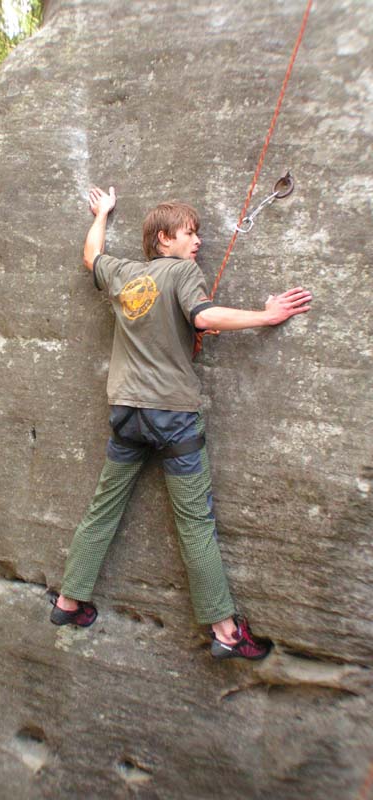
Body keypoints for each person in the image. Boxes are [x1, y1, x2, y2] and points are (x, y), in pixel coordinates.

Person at [49, 185, 312, 660]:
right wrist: (267, 315)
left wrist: (102, 213)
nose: (198, 243)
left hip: (127, 414)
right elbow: (205, 314)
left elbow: (91, 255)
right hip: (172, 416)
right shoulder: (184, 272)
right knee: (195, 523)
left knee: (103, 508)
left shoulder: (125, 273)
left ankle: (70, 600)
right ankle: (226, 631)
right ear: (163, 239)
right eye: (190, 234)